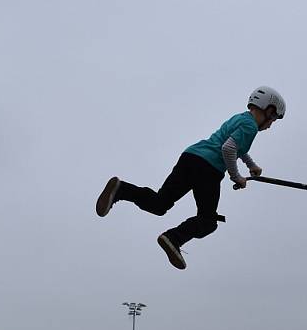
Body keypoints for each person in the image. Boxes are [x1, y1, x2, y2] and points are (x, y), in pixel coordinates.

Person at [96, 86, 286, 269]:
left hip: (191, 157)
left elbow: (238, 148)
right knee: (208, 221)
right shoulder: (251, 127)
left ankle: (121, 189)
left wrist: (251, 165)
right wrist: (236, 176)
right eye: (273, 120)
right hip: (208, 169)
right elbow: (228, 149)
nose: (270, 125)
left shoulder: (241, 119)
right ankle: (173, 238)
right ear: (268, 111)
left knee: (159, 204)